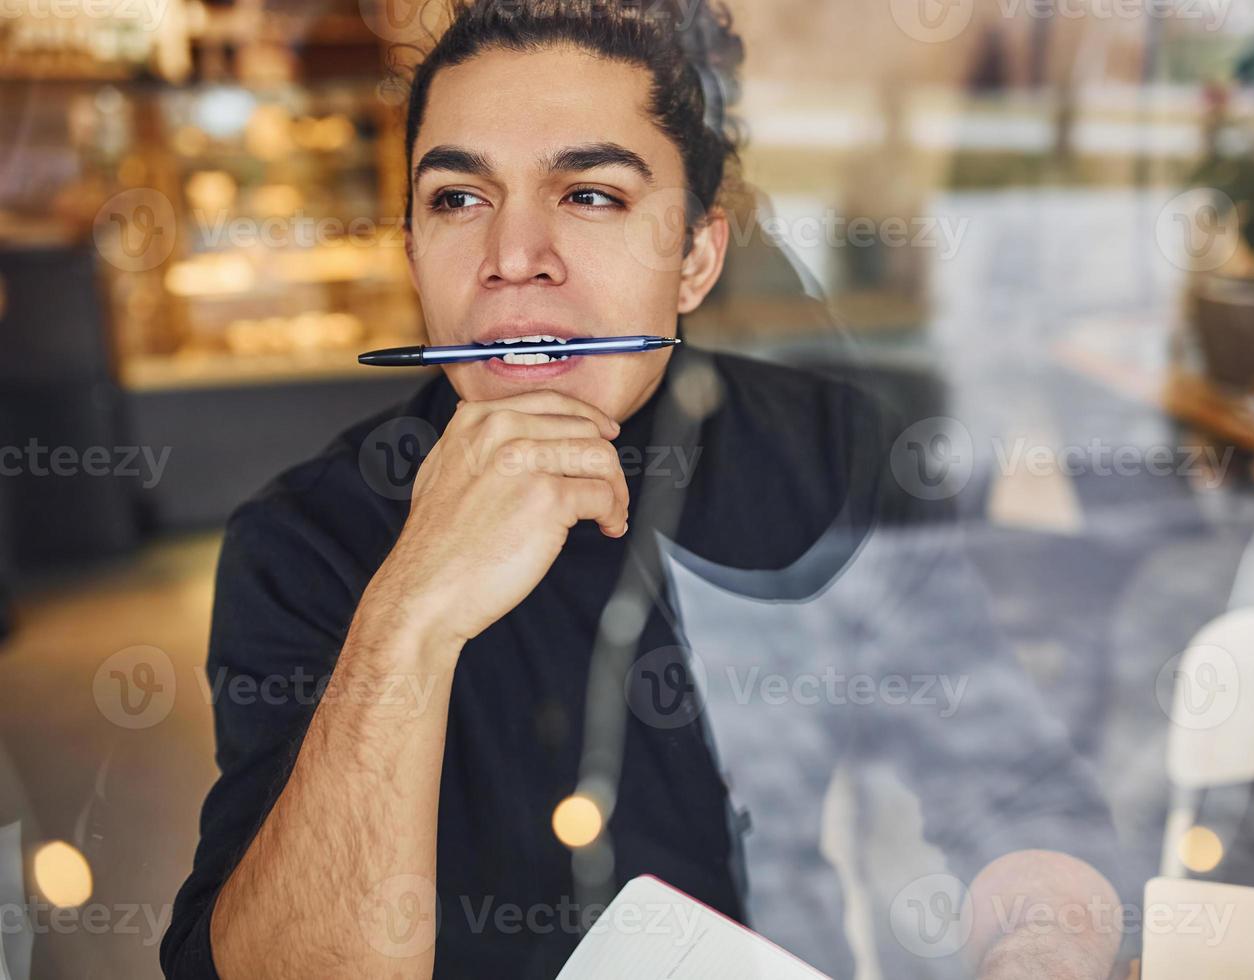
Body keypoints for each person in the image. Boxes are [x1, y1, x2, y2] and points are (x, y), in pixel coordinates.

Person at [161, 2, 1122, 977]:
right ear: (411, 245)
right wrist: (408, 614)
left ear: (696, 256)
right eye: (458, 198)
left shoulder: (828, 452)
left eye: (590, 195)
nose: (512, 256)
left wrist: (1038, 945)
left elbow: (1016, 791)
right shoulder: (304, 539)